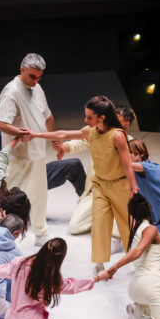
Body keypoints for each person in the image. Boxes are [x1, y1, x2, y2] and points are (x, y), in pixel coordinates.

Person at [28, 96, 138, 274]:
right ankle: (100, 262)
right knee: (99, 224)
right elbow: (65, 134)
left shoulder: (119, 136)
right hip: (99, 186)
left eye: (89, 117)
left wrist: (133, 187)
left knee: (127, 226)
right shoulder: (91, 131)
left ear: (102, 117)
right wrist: (37, 135)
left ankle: (136, 259)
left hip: (119, 186)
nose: (85, 120)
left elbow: (128, 165)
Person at [0, 53, 57, 246]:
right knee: (10, 198)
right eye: (32, 76)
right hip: (18, 156)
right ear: (22, 70)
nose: (36, 80)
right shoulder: (11, 91)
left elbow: (47, 115)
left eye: (39, 76)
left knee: (39, 195)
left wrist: (56, 141)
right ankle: (1, 233)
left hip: (37, 153)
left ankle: (40, 231)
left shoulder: (37, 87)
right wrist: (20, 133)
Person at [0, 114, 86, 198]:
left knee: (73, 165)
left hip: (31, 178)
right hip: (10, 194)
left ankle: (87, 202)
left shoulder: (3, 136)